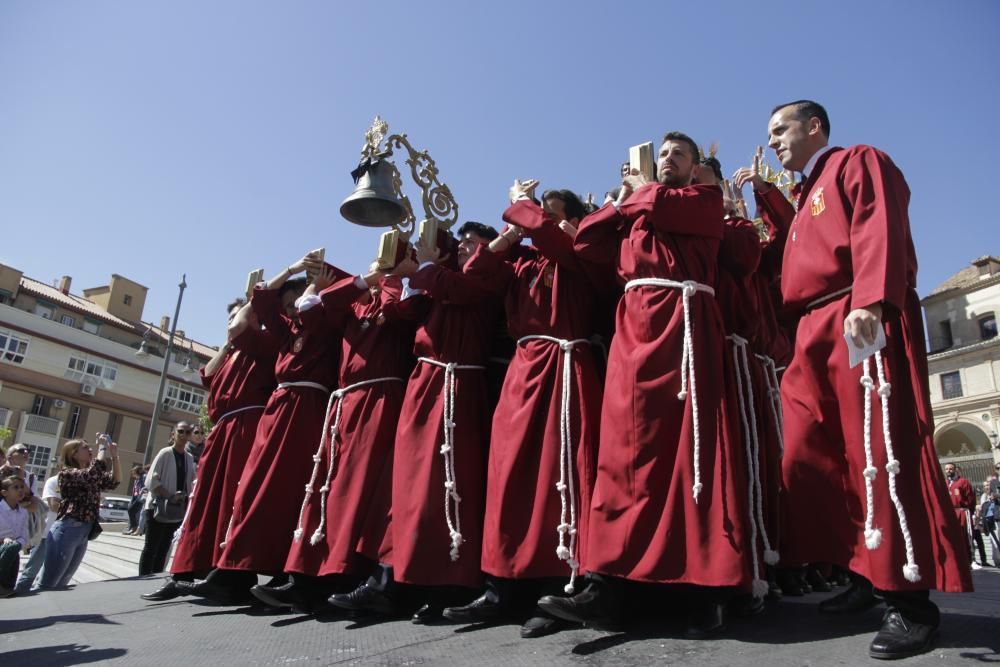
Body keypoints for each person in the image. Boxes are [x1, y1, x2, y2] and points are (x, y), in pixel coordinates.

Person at [764, 99, 971, 659]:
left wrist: (874, 300)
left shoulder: (858, 160)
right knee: (810, 457)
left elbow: (879, 222)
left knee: (878, 451)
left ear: (815, 127)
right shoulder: (805, 197)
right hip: (810, 331)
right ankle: (860, 572)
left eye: (781, 129)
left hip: (856, 315)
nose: (774, 141)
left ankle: (909, 601)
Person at [540, 132, 750, 638]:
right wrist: (620, 203)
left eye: (680, 156)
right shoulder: (639, 210)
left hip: (683, 328)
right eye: (664, 156)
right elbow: (587, 240)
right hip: (633, 333)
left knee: (691, 453)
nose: (669, 162)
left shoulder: (702, 200)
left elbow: (666, 203)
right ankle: (607, 584)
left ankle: (707, 590)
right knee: (622, 456)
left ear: (696, 167)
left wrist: (638, 192)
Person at [442, 185, 603, 638]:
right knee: (508, 478)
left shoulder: (579, 251)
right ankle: (501, 588)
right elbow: (474, 274)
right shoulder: (522, 263)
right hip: (523, 370)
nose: (535, 224)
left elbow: (555, 238)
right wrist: (506, 237)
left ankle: (556, 590)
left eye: (547, 216)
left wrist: (523, 206)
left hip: (564, 367)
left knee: (559, 480)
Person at [330, 222, 505, 623]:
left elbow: (458, 285)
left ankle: (443, 583)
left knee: (443, 488)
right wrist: (403, 265)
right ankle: (389, 580)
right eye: (459, 245)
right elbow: (395, 308)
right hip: (425, 388)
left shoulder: (482, 281)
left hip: (457, 388)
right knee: (406, 489)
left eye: (474, 245)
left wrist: (426, 265)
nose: (465, 251)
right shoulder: (437, 287)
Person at [179, 253, 345, 603]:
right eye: (288, 305)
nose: (291, 309)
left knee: (288, 491)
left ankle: (273, 571)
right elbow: (252, 312)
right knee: (252, 491)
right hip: (278, 414)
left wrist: (315, 285)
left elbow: (305, 310)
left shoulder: (325, 324)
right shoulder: (286, 333)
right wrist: (294, 268)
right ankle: (233, 570)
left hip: (307, 412)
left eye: (296, 302)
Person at [253, 266, 417, 612]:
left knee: (356, 493)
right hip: (345, 405)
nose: (374, 271)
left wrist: (388, 276)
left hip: (379, 400)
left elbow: (393, 305)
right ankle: (304, 579)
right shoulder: (352, 309)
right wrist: (364, 280)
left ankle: (342, 576)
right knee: (325, 491)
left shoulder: (394, 303)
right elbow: (314, 304)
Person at [142, 298, 278, 602]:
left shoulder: (265, 344)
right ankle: (183, 573)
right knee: (204, 504)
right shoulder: (231, 355)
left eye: (238, 316)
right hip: (223, 430)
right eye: (229, 317)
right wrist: (228, 345)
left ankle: (232, 572)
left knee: (233, 500)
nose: (232, 322)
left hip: (247, 427)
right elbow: (208, 376)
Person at [34, 435, 120, 590]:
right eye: (85, 448)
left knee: (62, 582)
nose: (90, 450)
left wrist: (114, 456)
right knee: (48, 583)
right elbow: (92, 474)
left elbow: (114, 481)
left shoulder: (90, 475)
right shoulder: (67, 474)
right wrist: (102, 448)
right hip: (67, 530)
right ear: (73, 454)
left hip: (83, 532)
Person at [138, 422, 196, 576]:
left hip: (177, 508)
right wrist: (169, 495)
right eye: (181, 431)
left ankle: (156, 575)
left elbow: (191, 482)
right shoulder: (165, 453)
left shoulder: (189, 458)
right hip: (158, 507)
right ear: (173, 434)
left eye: (188, 432)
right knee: (151, 546)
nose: (184, 435)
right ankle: (143, 577)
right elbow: (151, 480)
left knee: (165, 547)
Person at [14, 469, 61, 594]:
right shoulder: (54, 481)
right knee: (33, 566)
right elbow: (53, 505)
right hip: (47, 532)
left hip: (63, 532)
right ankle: (20, 591)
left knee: (53, 568)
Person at [0, 470, 30, 597]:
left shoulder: (23, 512)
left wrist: (17, 543)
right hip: (3, 547)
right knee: (9, 547)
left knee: (12, 548)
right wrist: (3, 539)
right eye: (15, 487)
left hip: (12, 549)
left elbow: (24, 535)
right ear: (4, 493)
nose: (20, 490)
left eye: (22, 487)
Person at [124, 464, 144, 535]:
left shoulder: (142, 478)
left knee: (131, 510)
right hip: (134, 497)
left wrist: (140, 496)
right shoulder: (136, 480)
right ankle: (133, 527)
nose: (133, 474)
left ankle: (134, 528)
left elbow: (142, 488)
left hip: (139, 498)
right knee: (130, 510)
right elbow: (134, 490)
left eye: (134, 472)